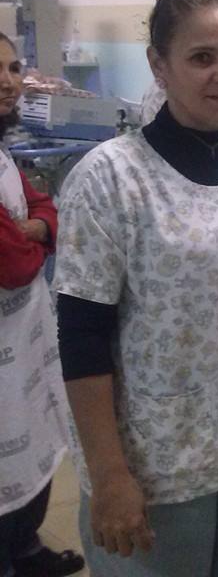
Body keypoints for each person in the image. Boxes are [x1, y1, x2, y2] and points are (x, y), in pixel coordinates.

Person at [54, 0, 218, 577]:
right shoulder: (110, 179)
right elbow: (81, 338)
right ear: (158, 66)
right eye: (202, 58)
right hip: (152, 465)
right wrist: (109, 474)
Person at [0, 33, 84, 577]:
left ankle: (25, 549)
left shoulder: (4, 152)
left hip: (24, 339)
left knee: (31, 441)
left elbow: (43, 206)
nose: (8, 82)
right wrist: (35, 234)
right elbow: (14, 263)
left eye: (13, 68)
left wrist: (35, 227)